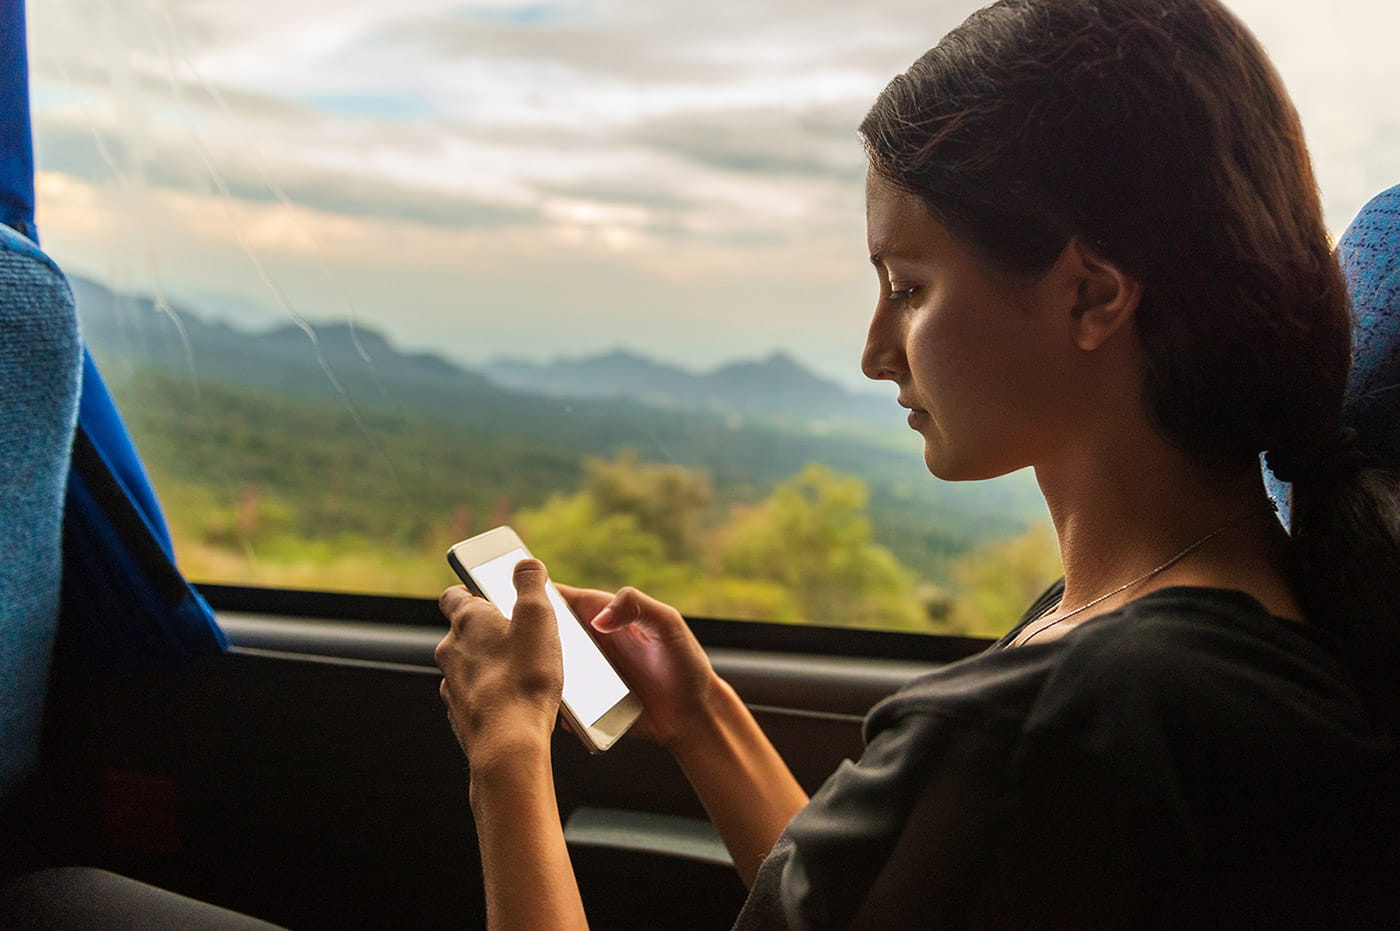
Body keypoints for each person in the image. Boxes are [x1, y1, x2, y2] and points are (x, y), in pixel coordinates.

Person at [432, 0, 1400, 926]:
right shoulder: (1234, 620)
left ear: (1091, 295)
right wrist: (703, 716)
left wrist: (506, 751)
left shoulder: (1055, 722)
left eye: (907, 287)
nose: (873, 350)